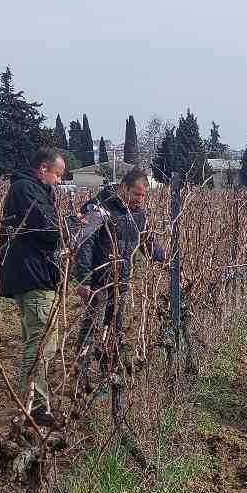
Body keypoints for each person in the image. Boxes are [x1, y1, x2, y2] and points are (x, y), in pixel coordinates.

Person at [72, 167, 163, 391]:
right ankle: (80, 375)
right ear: (123, 188)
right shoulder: (100, 208)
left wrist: (165, 259)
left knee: (114, 326)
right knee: (92, 327)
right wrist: (84, 279)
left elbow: (146, 242)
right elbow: (85, 243)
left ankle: (108, 371)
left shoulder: (138, 214)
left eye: (143, 195)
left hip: (121, 281)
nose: (140, 199)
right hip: (99, 281)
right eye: (136, 194)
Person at [0, 146, 68, 425]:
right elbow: (49, 229)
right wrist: (70, 229)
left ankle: (35, 404)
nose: (59, 182)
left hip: (38, 275)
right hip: (33, 277)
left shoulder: (34, 190)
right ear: (43, 169)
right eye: (57, 175)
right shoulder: (25, 190)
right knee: (40, 346)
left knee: (43, 345)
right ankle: (33, 408)